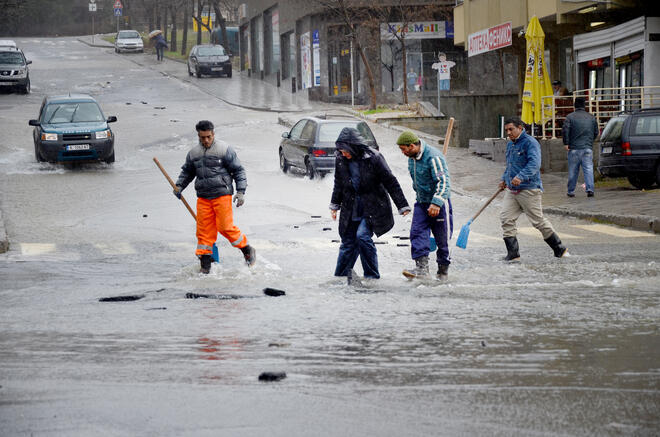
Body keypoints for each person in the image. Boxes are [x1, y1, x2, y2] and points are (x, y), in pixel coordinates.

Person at [174, 120, 256, 274]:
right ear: (198, 136)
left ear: (213, 134)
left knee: (225, 227)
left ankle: (247, 249)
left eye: (208, 137)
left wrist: (240, 192)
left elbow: (238, 170)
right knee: (204, 233)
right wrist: (179, 186)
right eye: (202, 137)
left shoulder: (224, 150)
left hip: (222, 195)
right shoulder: (193, 153)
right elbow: (187, 172)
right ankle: (206, 266)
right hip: (204, 197)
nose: (205, 140)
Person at [330, 127, 410, 281]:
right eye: (340, 151)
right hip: (351, 206)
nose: (342, 154)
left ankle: (371, 276)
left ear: (352, 147)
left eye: (344, 150)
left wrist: (402, 205)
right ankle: (340, 277)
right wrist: (334, 205)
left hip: (373, 206)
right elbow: (338, 183)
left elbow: (390, 181)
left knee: (362, 236)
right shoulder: (340, 159)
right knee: (347, 242)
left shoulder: (374, 158)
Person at [499, 117, 568, 261]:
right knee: (506, 218)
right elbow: (509, 165)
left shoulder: (530, 143)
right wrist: (504, 179)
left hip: (529, 189)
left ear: (520, 128)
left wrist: (521, 176)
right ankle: (513, 254)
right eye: (506, 130)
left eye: (511, 129)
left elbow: (535, 164)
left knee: (538, 221)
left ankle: (559, 249)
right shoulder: (510, 144)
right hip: (512, 190)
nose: (508, 133)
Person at [397, 131, 453, 280]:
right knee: (417, 233)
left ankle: (443, 271)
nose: (403, 153)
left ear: (412, 145)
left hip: (437, 204)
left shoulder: (434, 157)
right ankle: (422, 268)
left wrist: (436, 202)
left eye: (404, 149)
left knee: (442, 240)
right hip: (421, 203)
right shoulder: (412, 158)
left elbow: (444, 182)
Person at [562, 97, 599, 197]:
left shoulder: (570, 117)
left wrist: (566, 143)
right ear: (584, 105)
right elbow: (596, 132)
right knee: (588, 169)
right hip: (587, 147)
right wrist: (590, 141)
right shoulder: (591, 117)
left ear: (574, 105)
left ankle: (571, 191)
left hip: (574, 148)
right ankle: (590, 189)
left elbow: (565, 130)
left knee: (573, 170)